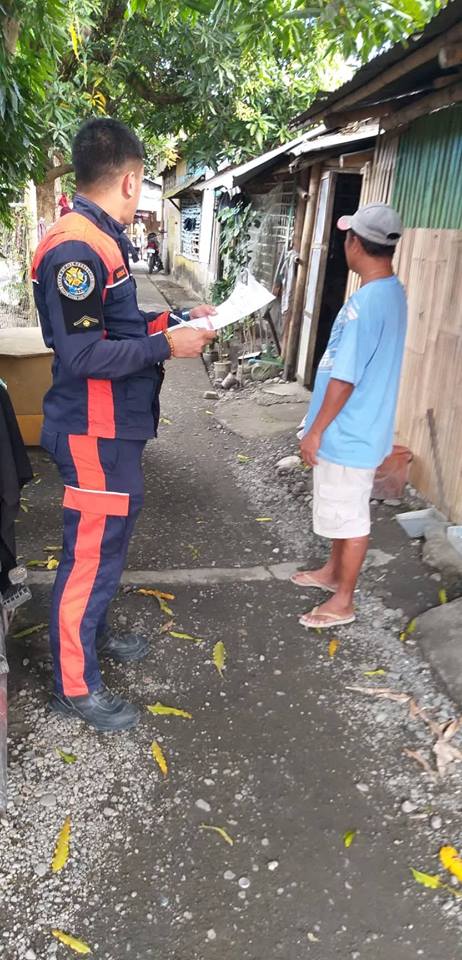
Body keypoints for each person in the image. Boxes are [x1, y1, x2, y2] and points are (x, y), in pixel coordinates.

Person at [31, 118, 216, 731]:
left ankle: (95, 634)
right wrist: (171, 349)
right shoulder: (76, 247)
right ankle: (75, 685)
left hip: (114, 429)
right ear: (132, 179)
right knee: (90, 554)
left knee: (105, 548)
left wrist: (176, 321)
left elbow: (117, 326)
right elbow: (81, 355)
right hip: (92, 431)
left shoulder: (99, 237)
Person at [292, 203, 407, 630]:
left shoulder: (365, 303)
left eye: (347, 236)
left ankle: (343, 600)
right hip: (366, 427)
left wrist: (315, 431)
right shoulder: (393, 291)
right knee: (344, 509)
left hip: (349, 431)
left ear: (354, 242)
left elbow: (345, 378)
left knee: (352, 515)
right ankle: (332, 573)